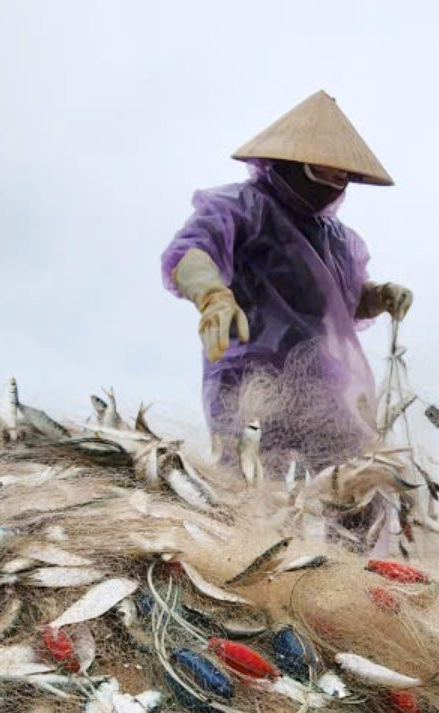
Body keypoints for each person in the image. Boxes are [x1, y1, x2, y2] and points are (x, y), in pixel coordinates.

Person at [161, 91, 414, 475]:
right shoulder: (242, 206)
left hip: (326, 389)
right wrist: (211, 294)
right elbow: (193, 252)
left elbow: (346, 301)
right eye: (324, 170)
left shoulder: (337, 239)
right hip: (252, 383)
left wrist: (379, 296)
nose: (334, 181)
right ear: (292, 161)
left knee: (353, 487)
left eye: (341, 174)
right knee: (256, 490)